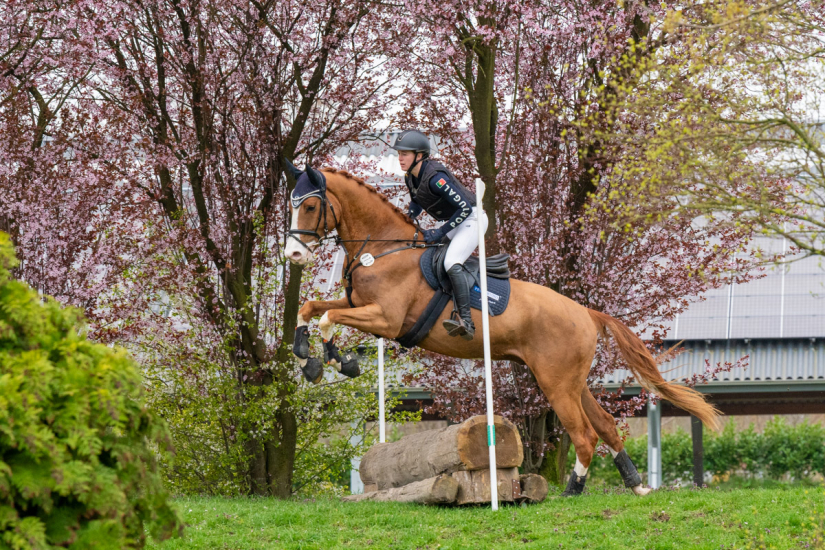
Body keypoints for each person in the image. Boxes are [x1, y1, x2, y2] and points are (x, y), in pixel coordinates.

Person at [391, 129, 487, 341]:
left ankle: (467, 321)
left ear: (419, 155)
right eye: (399, 153)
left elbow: (464, 209)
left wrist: (440, 231)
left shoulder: (436, 179)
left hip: (472, 219)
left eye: (405, 154)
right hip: (457, 221)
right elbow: (417, 200)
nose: (400, 158)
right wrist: (409, 214)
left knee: (451, 262)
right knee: (429, 253)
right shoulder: (411, 177)